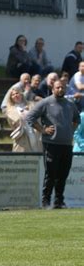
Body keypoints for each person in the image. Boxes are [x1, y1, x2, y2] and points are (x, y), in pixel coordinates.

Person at [27, 80, 80, 209]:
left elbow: (76, 120)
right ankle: (46, 201)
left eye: (62, 87)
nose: (60, 89)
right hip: (51, 144)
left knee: (63, 174)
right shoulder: (46, 103)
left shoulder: (70, 104)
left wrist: (69, 131)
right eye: (58, 87)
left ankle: (59, 201)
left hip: (66, 145)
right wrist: (42, 130)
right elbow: (30, 117)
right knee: (50, 174)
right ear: (53, 89)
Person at [4, 87, 41, 152]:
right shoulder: (9, 111)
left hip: (34, 132)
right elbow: (13, 125)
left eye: (17, 93)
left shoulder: (31, 105)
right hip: (22, 136)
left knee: (37, 154)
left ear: (21, 94)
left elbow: (38, 118)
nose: (15, 95)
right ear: (11, 98)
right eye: (13, 95)